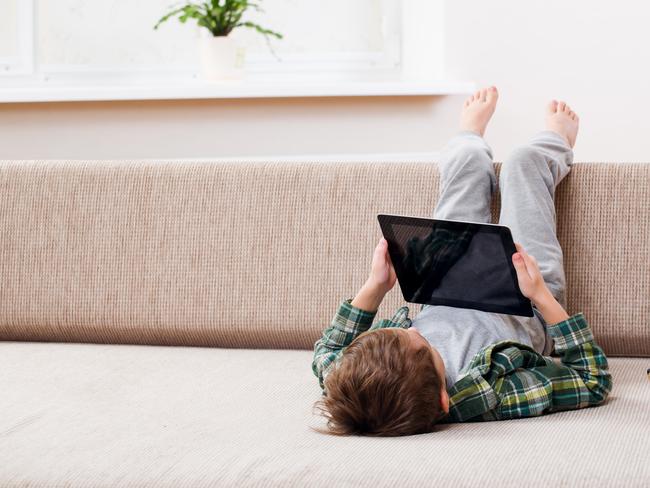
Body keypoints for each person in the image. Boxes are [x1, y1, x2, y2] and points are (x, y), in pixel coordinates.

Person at [310, 86, 612, 437]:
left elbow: (328, 353)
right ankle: (556, 141)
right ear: (443, 400)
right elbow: (591, 380)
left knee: (466, 163)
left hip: (446, 280)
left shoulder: (353, 387)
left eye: (403, 330)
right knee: (522, 164)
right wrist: (542, 295)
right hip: (525, 297)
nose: (412, 328)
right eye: (420, 341)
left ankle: (470, 136)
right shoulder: (491, 396)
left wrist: (375, 287)